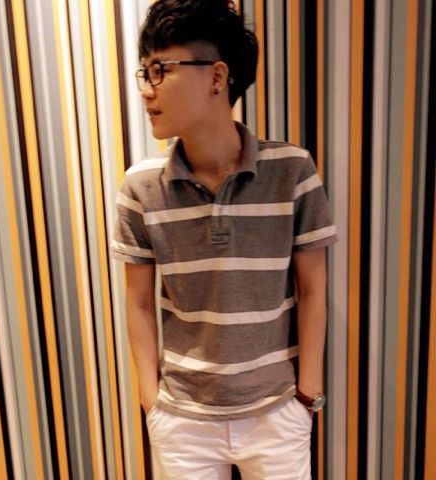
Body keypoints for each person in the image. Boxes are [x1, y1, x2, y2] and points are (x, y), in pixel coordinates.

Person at [111, 1, 338, 478]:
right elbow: (138, 303)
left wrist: (308, 394)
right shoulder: (140, 186)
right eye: (145, 72)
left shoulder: (292, 170)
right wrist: (151, 402)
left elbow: (313, 290)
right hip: (183, 421)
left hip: (277, 413)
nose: (147, 90)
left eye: (160, 70)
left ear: (216, 76)